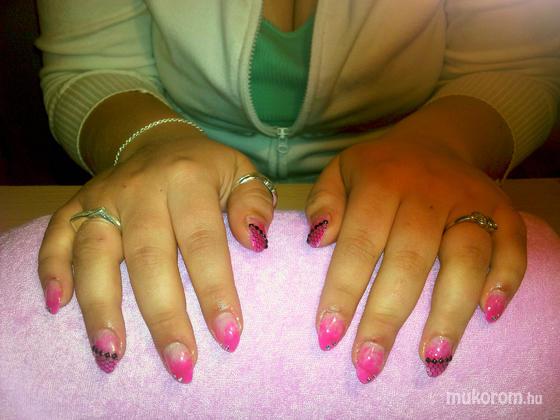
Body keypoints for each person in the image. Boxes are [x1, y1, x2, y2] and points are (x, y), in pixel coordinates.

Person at [35, 0, 559, 384]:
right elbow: (93, 66)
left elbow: (512, 65)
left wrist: (440, 144)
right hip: (163, 178)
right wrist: (152, 142)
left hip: (420, 184)